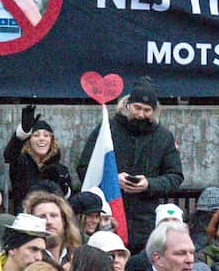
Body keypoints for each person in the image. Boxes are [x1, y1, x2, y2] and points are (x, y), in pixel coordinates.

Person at [76, 78, 184, 252]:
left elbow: (175, 176)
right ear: (127, 105)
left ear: (154, 111)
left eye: (147, 110)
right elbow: (85, 167)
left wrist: (149, 184)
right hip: (108, 214)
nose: (141, 114)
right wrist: (112, 180)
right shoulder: (107, 129)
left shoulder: (164, 137)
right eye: (137, 108)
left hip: (145, 219)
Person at [4, 105, 70, 213]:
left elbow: (68, 204)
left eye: (46, 135)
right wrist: (22, 133)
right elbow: (9, 155)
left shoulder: (61, 170)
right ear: (29, 140)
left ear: (52, 140)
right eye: (36, 135)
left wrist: (61, 188)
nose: (41, 139)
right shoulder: (21, 163)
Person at [23, 189, 80, 268]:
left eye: (53, 215)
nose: (48, 221)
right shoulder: (28, 260)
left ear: (64, 220)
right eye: (42, 217)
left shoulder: (77, 258)